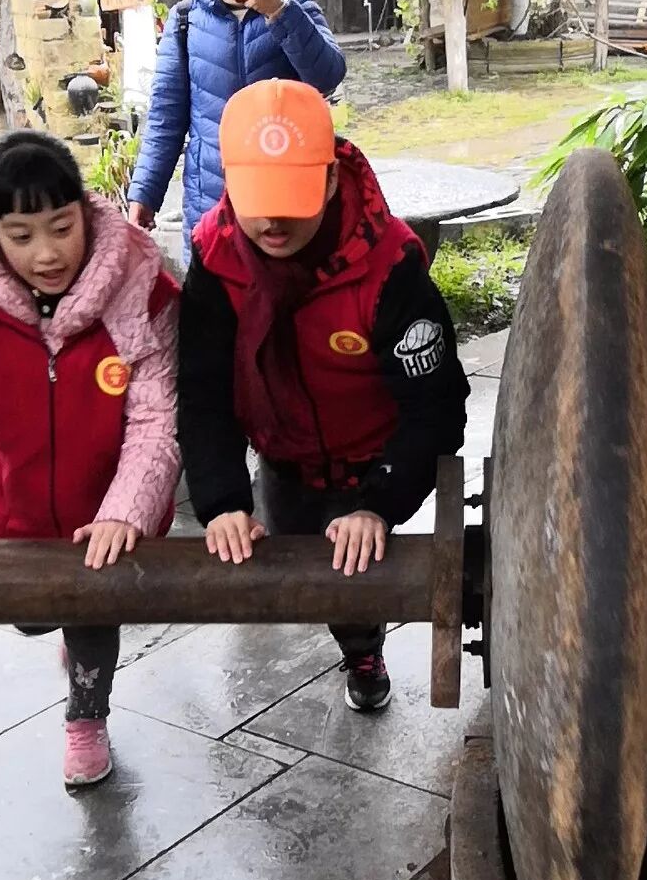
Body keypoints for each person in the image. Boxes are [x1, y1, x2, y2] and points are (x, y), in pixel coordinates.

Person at [177, 79, 470, 711]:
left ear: (333, 178)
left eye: (291, 198)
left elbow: (435, 406)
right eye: (258, 199)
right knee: (295, 559)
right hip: (284, 454)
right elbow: (203, 392)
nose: (272, 222)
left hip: (370, 455)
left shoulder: (390, 267)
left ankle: (363, 646)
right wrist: (223, 501)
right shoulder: (215, 257)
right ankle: (352, 630)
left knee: (354, 575)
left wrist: (378, 505)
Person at [0, 130, 180, 787]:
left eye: (61, 228)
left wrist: (126, 511)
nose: (47, 254)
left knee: (91, 615)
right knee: (31, 613)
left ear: (85, 212)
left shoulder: (139, 287)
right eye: (21, 236)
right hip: (19, 501)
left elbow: (155, 418)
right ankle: (65, 634)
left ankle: (86, 715)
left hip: (105, 510)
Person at [127, 0, 346, 261]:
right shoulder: (186, 20)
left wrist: (278, 12)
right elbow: (165, 117)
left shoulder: (298, 8)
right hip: (211, 201)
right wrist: (144, 194)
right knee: (216, 293)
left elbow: (328, 76)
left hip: (285, 201)